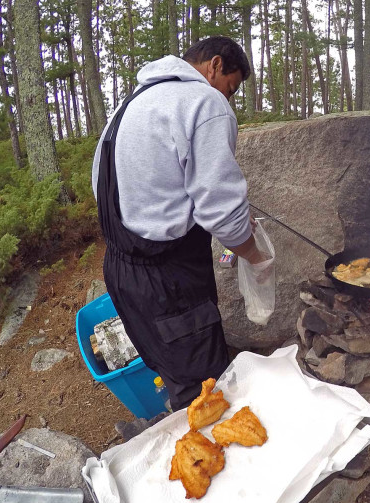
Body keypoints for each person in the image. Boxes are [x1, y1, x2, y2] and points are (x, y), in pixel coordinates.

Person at [91, 37, 268, 411]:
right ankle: (213, 456)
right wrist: (253, 254)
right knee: (205, 389)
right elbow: (221, 209)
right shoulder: (203, 102)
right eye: (231, 88)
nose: (229, 98)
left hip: (121, 273)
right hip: (168, 283)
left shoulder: (133, 103)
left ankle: (186, 423)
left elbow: (133, 187)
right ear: (214, 66)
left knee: (175, 373)